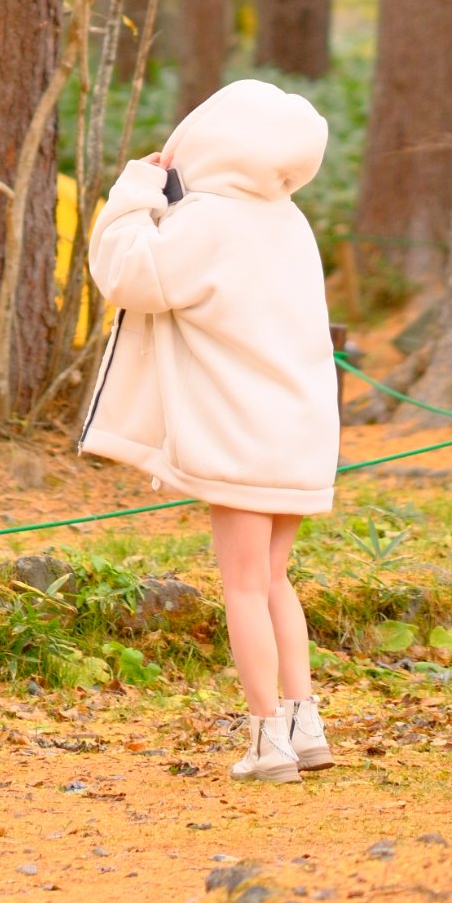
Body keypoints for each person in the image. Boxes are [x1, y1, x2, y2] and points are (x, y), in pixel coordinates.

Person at [80, 78, 338, 783]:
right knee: (277, 580)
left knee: (243, 586)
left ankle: (265, 740)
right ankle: (304, 721)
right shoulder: (291, 222)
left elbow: (131, 276)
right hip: (299, 428)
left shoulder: (212, 221)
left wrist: (137, 188)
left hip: (237, 430)